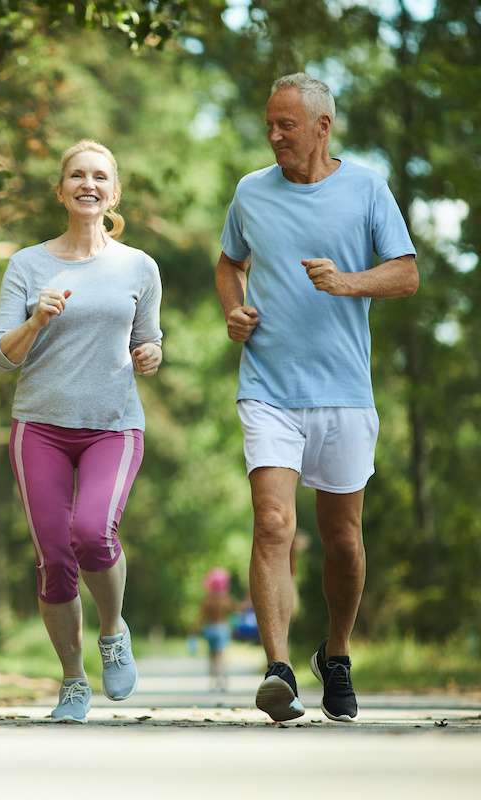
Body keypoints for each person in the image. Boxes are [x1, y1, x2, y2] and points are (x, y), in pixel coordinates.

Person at [214, 73, 418, 723]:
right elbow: (229, 263)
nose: (273, 135)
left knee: (343, 540)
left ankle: (335, 653)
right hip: (269, 385)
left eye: (287, 125)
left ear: (323, 127)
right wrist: (234, 311)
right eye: (269, 124)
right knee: (273, 523)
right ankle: (277, 669)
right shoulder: (251, 192)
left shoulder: (365, 188)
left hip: (344, 392)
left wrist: (348, 281)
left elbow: (407, 274)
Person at [0, 139, 163, 723]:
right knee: (54, 557)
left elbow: (148, 339)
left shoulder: (139, 266)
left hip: (113, 427)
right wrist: (37, 318)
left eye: (100, 177)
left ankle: (112, 631)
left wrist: (150, 355)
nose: (88, 184)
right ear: (61, 190)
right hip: (39, 426)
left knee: (92, 532)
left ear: (113, 192)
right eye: (77, 176)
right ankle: (72, 679)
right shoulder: (27, 265)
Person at [198, 568, 234, 691]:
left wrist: (194, 629)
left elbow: (201, 617)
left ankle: (213, 680)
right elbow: (234, 609)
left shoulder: (207, 600)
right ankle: (222, 679)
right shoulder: (225, 599)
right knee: (221, 656)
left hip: (210, 629)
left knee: (212, 656)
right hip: (222, 628)